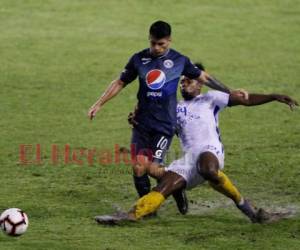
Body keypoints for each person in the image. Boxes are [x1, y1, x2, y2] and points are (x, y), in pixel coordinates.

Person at [95, 64, 298, 224]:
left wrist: (273, 97)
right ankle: (131, 215)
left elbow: (245, 99)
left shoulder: (211, 98)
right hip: (189, 159)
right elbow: (160, 130)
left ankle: (245, 207)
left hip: (210, 152)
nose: (184, 84)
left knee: (208, 169)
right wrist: (139, 122)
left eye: (189, 81)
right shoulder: (173, 109)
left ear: (200, 84)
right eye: (182, 82)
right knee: (164, 186)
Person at [88, 21, 245, 213]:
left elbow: (204, 78)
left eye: (161, 44)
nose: (156, 48)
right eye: (153, 43)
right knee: (139, 168)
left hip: (164, 125)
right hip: (142, 122)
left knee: (153, 169)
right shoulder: (138, 59)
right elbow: (120, 82)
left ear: (169, 41)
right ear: (149, 39)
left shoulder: (180, 61)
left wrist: (230, 92)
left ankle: (176, 189)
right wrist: (99, 103)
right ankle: (149, 210)